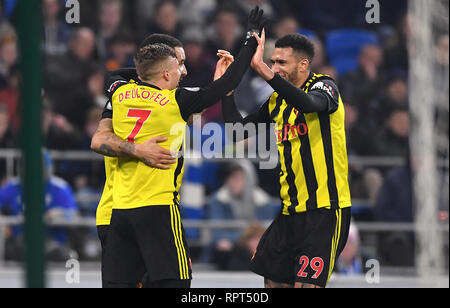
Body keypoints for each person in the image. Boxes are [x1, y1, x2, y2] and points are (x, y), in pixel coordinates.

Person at [95, 7, 266, 288]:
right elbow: (229, 83)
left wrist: (142, 73)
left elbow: (111, 79)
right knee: (177, 283)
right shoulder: (175, 101)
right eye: (178, 64)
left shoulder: (120, 92)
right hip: (157, 207)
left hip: (118, 210)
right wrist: (249, 40)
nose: (184, 71)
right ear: (164, 72)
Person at [222, 32, 352, 288]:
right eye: (272, 62)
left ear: (303, 64)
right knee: (272, 284)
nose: (274, 67)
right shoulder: (277, 101)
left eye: (282, 62)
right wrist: (227, 87)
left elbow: (308, 105)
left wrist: (265, 73)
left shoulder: (324, 86)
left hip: (324, 210)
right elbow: (237, 131)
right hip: (289, 212)